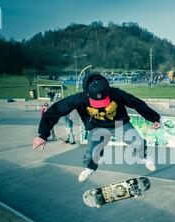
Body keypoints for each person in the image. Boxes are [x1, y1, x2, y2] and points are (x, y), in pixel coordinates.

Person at [33, 73, 161, 182]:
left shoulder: (116, 93)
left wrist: (154, 118)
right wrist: (43, 134)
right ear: (87, 94)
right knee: (92, 151)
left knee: (138, 142)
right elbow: (56, 110)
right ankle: (90, 168)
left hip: (119, 124)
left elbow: (137, 103)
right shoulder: (80, 98)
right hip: (97, 127)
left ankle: (144, 157)